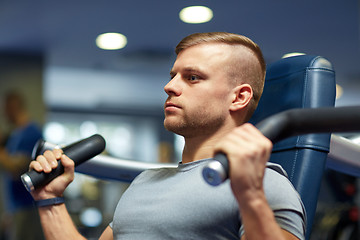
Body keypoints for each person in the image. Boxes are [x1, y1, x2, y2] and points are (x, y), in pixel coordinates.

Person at [28, 32, 306, 240]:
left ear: (239, 97)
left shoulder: (264, 183)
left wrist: (251, 196)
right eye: (173, 75)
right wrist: (49, 199)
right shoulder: (146, 181)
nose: (169, 86)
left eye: (192, 77)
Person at [0, 91, 44, 240]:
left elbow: (17, 169)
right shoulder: (15, 135)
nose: (4, 114)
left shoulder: (31, 133)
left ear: (12, 107)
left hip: (26, 206)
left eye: (5, 109)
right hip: (15, 207)